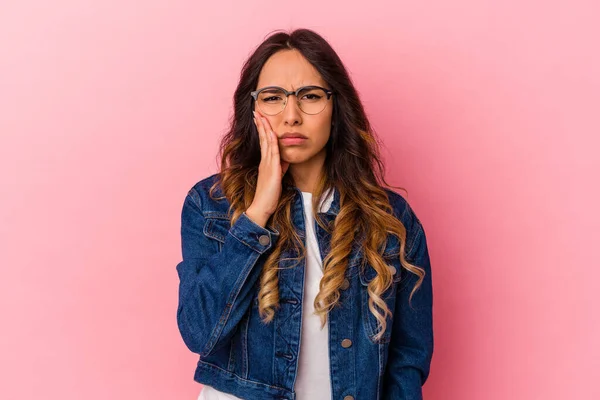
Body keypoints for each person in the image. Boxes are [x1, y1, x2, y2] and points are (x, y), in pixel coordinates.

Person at [176, 28, 434, 400]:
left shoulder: (390, 219)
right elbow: (199, 332)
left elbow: (407, 358)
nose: (291, 115)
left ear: (336, 107)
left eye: (310, 96)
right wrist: (257, 214)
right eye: (273, 98)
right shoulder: (211, 204)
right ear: (253, 109)